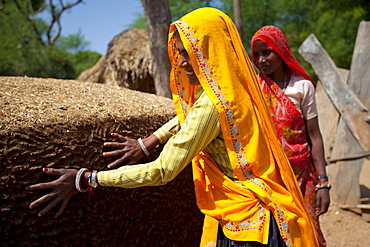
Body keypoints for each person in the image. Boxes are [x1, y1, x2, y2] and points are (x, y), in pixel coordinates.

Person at [27, 8, 319, 247]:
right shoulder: (238, 87)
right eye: (177, 52)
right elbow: (190, 117)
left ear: (207, 51)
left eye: (186, 52)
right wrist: (149, 141)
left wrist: (86, 178)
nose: (179, 61)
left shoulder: (213, 105)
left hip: (248, 228)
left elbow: (162, 170)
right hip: (263, 214)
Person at [250, 25, 331, 247]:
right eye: (256, 54)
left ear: (281, 50)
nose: (261, 60)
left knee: (306, 234)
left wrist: (323, 182)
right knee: (272, 237)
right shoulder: (253, 88)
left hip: (302, 177)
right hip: (268, 179)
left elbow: (314, 137)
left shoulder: (302, 87)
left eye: (266, 52)